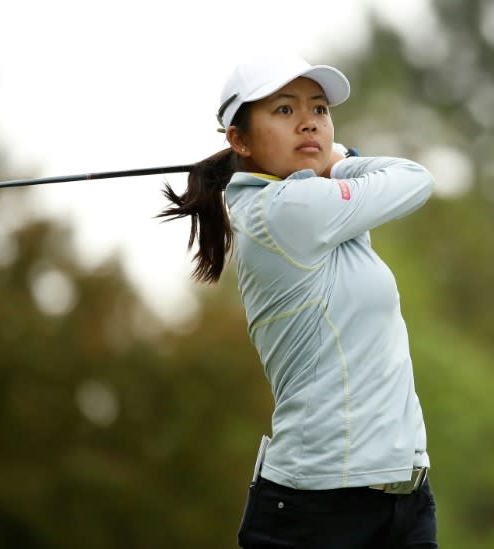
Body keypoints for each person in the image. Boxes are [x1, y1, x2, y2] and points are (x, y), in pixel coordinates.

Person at [159, 53, 438, 549]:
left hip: (404, 496)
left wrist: (330, 164)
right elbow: (416, 179)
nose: (310, 121)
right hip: (321, 510)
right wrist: (342, 159)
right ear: (239, 141)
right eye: (285, 111)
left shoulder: (315, 200)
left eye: (319, 110)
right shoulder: (286, 211)